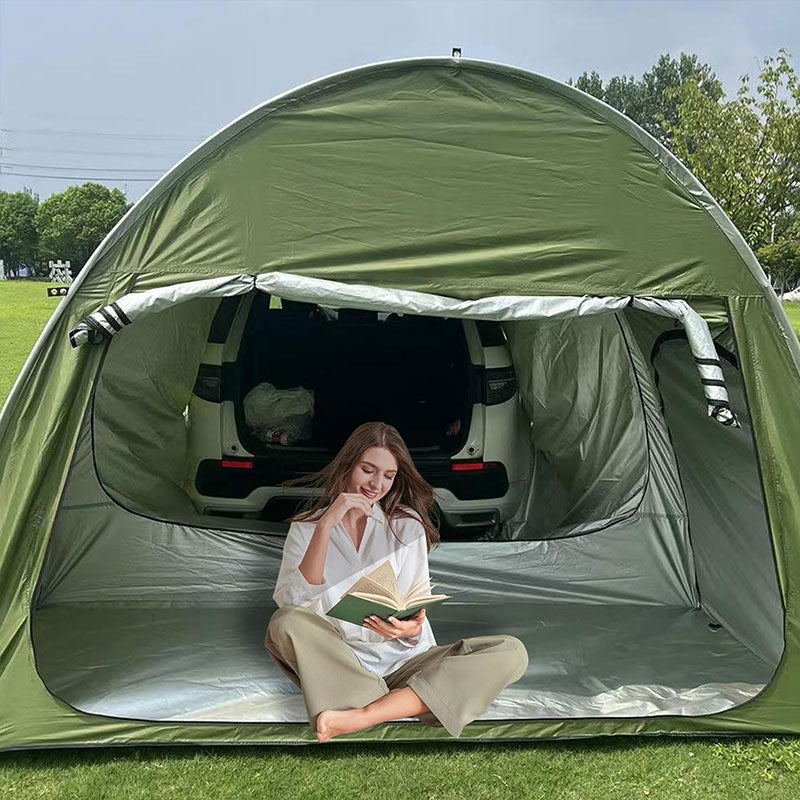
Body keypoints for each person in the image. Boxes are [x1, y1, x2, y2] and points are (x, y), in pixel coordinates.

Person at [265, 421, 528, 743]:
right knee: (285, 622)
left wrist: (412, 628)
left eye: (388, 476)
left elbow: (414, 600)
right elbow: (293, 602)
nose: (377, 484)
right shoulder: (307, 528)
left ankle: (364, 713)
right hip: (342, 661)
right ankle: (406, 700)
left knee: (511, 651)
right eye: (368, 470)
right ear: (348, 465)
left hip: (407, 661)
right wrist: (325, 526)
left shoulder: (407, 526)